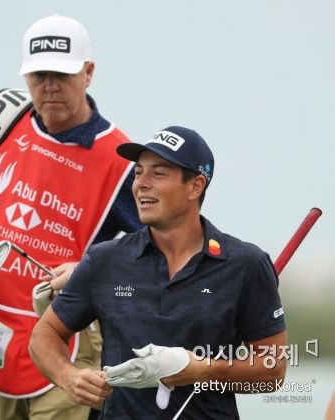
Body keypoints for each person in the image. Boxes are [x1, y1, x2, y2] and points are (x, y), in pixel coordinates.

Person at [0, 14, 142, 420]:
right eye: (38, 76)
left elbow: (159, 249)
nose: (49, 87)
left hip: (67, 343)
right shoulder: (2, 119)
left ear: (89, 73)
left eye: (62, 74)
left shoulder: (122, 159)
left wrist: (90, 268)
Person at [29, 126, 288, 418]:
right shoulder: (105, 259)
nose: (141, 184)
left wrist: (201, 371)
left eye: (158, 173)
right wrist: (69, 377)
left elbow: (273, 370)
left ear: (195, 186)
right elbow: (45, 335)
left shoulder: (246, 264)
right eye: (138, 172)